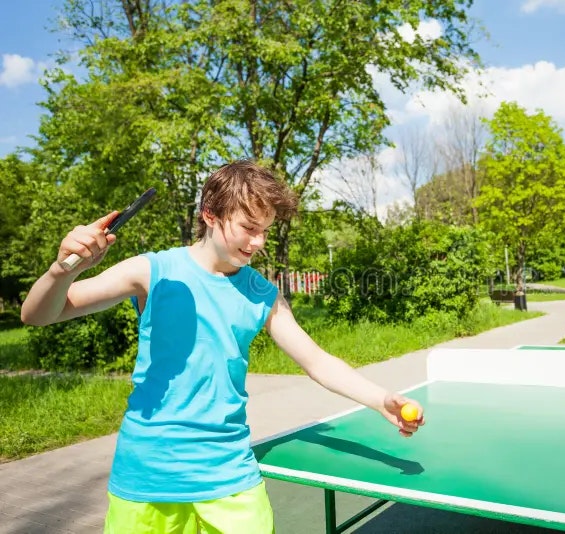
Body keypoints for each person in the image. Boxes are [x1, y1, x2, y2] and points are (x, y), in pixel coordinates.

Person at [20, 160, 424, 534]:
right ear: (210, 214)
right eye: (249, 227)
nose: (259, 241)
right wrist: (61, 269)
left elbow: (316, 360)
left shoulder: (261, 293)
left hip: (228, 475)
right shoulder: (153, 271)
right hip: (146, 476)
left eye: (265, 229)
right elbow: (38, 314)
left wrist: (379, 398)